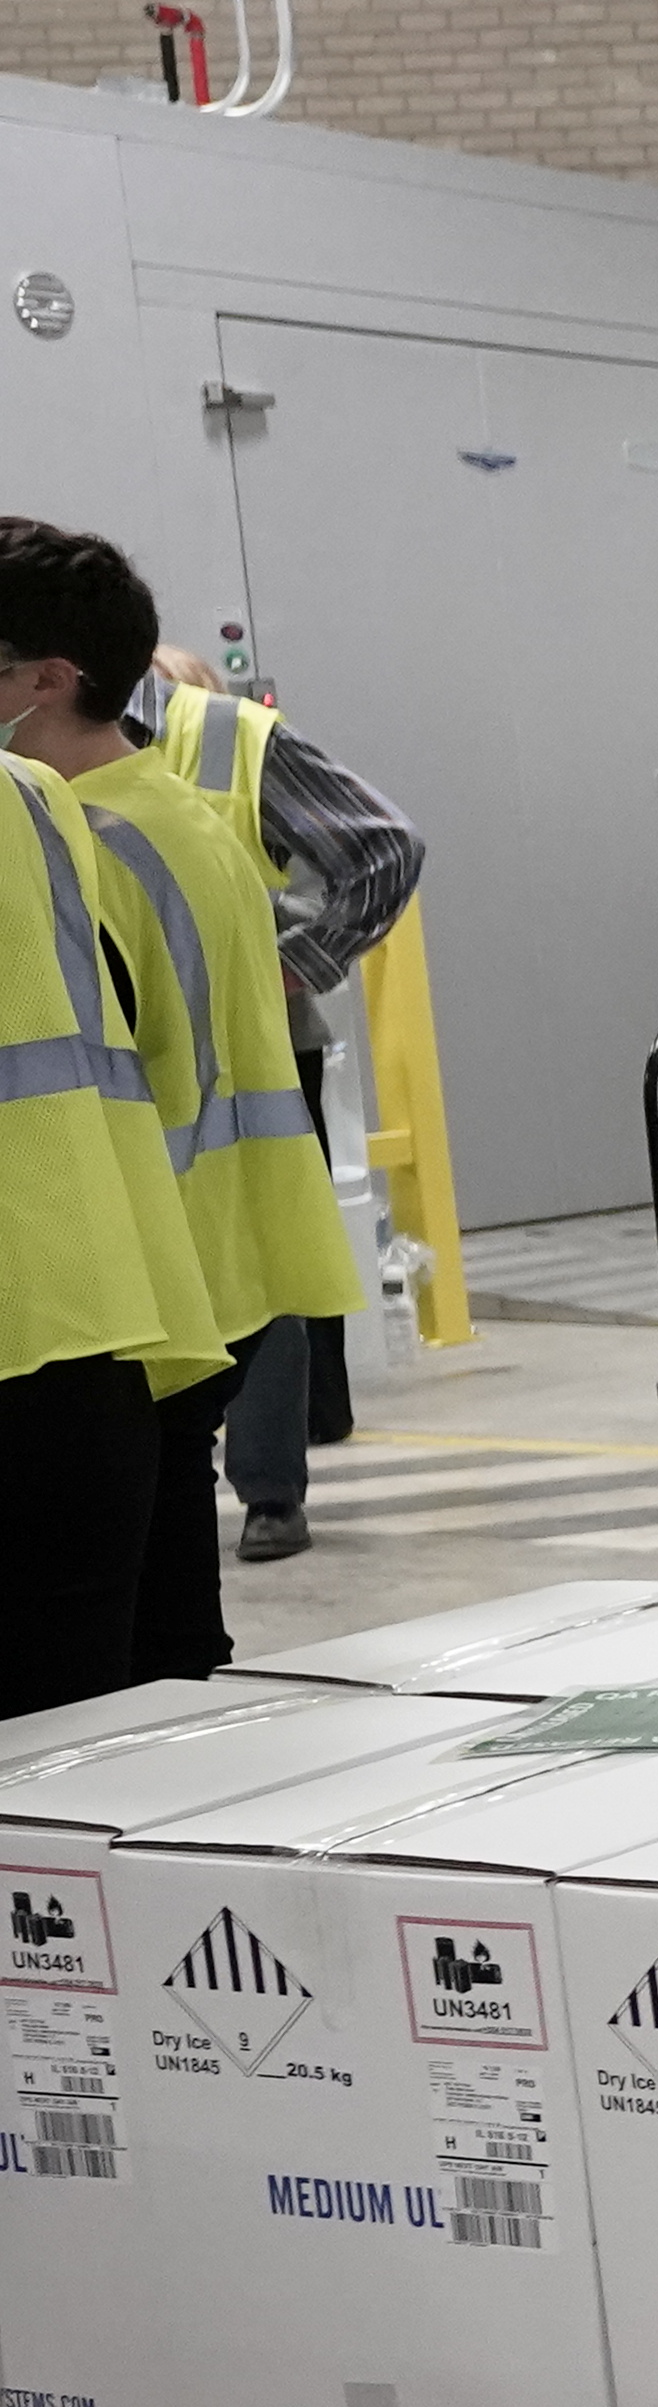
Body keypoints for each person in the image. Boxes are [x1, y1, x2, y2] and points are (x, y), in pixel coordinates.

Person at [0, 532, 237, 1713]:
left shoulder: (96, 817)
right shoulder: (56, 803)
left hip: (78, 1306)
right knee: (126, 1688)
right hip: (119, 1294)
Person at [126, 640, 421, 1570]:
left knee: (257, 1257)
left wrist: (294, 966)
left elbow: (383, 850)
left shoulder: (226, 736)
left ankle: (268, 1490)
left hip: (250, 1050)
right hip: (121, 1056)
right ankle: (168, 1471)